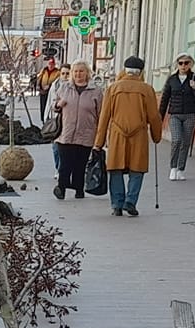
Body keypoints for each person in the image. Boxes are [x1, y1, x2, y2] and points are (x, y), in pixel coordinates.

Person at [94, 56, 163, 217]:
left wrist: (99, 142)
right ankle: (130, 202)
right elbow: (154, 117)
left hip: (117, 134)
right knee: (137, 168)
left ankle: (117, 205)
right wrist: (156, 136)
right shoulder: (147, 89)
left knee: (115, 168)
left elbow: (104, 117)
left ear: (124, 70)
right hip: (139, 134)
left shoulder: (113, 88)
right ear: (141, 72)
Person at [50, 61, 101, 201]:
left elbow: (100, 113)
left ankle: (79, 189)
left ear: (87, 73)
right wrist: (58, 104)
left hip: (86, 133)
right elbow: (53, 105)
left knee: (80, 164)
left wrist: (100, 136)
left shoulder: (95, 91)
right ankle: (61, 188)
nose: (78, 74)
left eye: (81, 71)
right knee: (65, 164)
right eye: (76, 71)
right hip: (66, 132)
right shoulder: (64, 88)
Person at [161, 54, 195, 180]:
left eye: (186, 63)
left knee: (185, 142)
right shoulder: (172, 79)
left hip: (190, 114)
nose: (184, 65)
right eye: (181, 63)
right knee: (176, 140)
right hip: (175, 114)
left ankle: (181, 169)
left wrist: (194, 88)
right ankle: (173, 167)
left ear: (191, 64)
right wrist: (160, 117)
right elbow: (165, 98)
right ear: (177, 64)